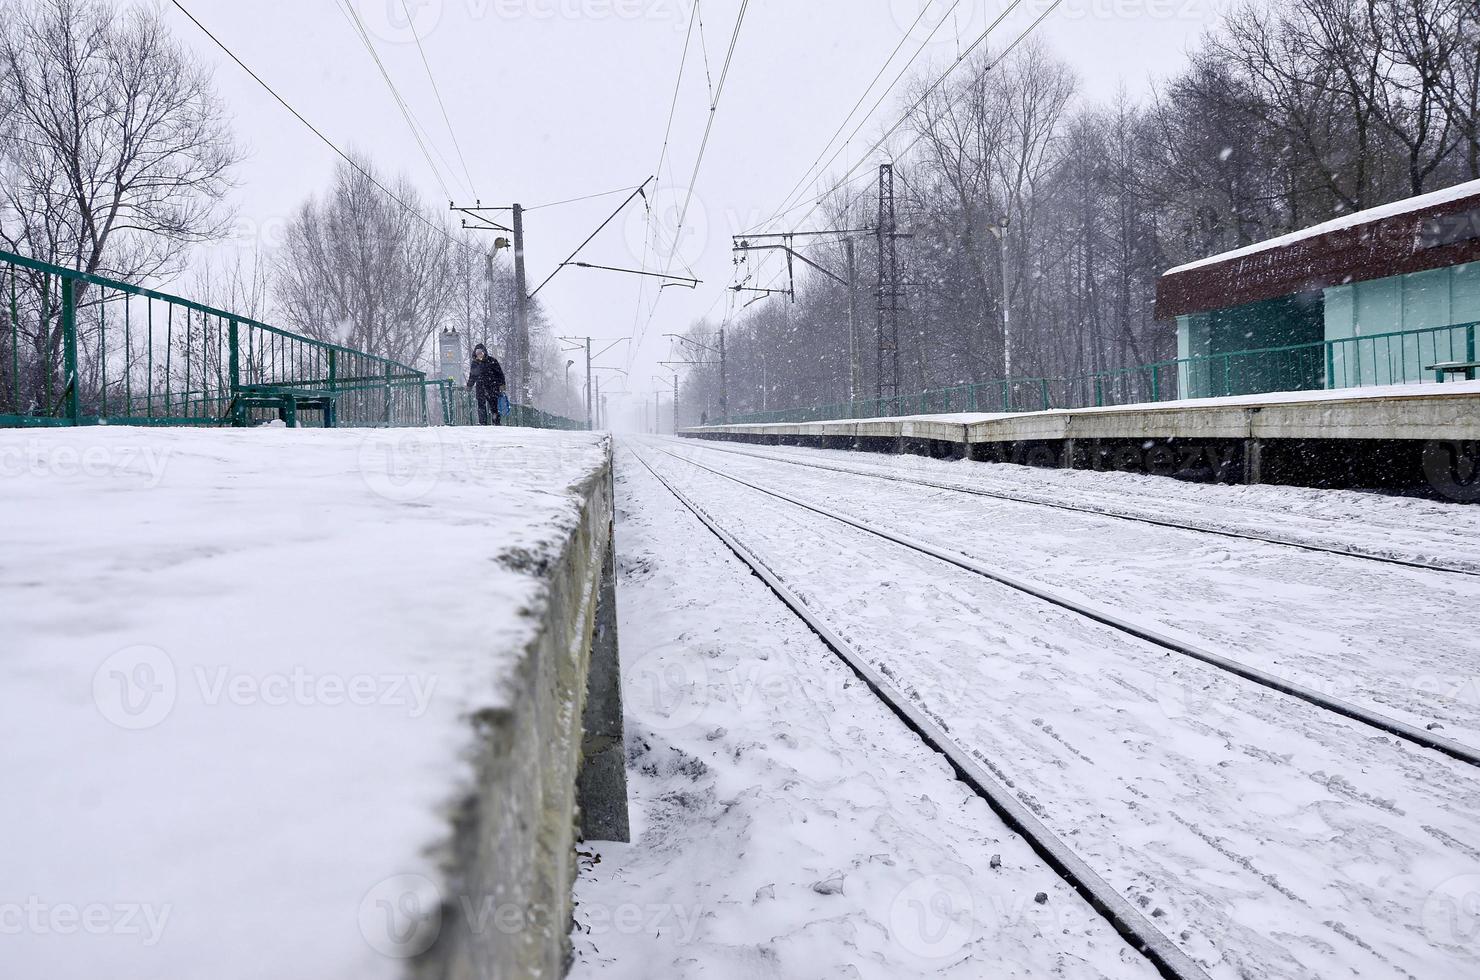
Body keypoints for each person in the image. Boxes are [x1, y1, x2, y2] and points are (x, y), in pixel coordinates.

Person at [468, 344, 506, 425]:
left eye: (481, 352)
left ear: (484, 352)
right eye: (477, 353)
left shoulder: (492, 361)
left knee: (494, 406)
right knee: (481, 406)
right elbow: (472, 376)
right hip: (480, 388)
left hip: (492, 387)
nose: (479, 355)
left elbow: (499, 373)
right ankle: (483, 423)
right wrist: (469, 385)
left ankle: (496, 422)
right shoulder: (475, 364)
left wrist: (502, 384)